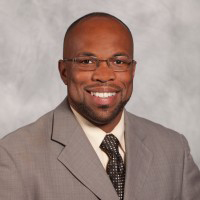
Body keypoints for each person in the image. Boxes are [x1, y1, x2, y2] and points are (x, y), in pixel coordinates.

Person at [0, 12, 200, 200]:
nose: (104, 76)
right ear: (64, 72)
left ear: (133, 70)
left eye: (119, 61)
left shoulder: (174, 150)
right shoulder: (14, 156)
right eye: (87, 61)